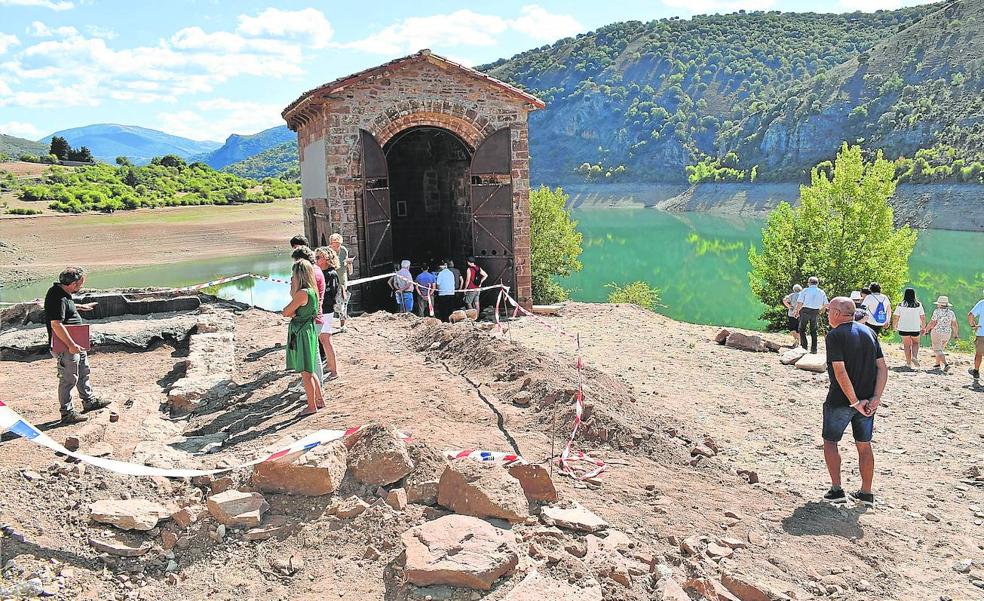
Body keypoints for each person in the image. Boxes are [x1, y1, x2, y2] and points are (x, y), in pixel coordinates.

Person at [821, 297, 887, 508]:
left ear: (838, 313)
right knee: (864, 445)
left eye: (829, 310)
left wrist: (854, 401)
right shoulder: (869, 332)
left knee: (831, 441)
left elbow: (840, 371)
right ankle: (866, 493)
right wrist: (875, 398)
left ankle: (837, 489)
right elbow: (883, 368)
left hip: (842, 400)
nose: (827, 314)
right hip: (868, 402)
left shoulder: (834, 336)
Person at [44, 267, 110, 424]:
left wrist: (80, 307)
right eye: (80, 283)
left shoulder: (63, 293)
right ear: (73, 284)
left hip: (75, 344)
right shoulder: (57, 296)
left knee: (83, 372)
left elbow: (65, 307)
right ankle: (67, 413)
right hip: (66, 346)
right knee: (68, 378)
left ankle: (89, 401)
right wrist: (71, 344)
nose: (81, 286)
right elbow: (56, 324)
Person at [282, 260, 325, 416]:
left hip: (302, 333)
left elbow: (286, 311)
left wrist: (292, 291)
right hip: (309, 329)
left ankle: (311, 406)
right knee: (311, 369)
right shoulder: (312, 291)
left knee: (306, 373)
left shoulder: (302, 293)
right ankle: (319, 399)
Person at [292, 246, 327, 375]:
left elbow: (298, 295)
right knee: (313, 354)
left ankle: (316, 389)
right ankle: (313, 386)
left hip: (311, 319)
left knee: (313, 356)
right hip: (314, 317)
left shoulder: (312, 274)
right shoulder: (316, 270)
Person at [314, 247, 340, 381]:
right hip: (322, 309)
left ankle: (334, 371)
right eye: (316, 257)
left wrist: (322, 305)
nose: (317, 259)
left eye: (319, 257)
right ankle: (330, 366)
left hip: (326, 310)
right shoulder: (321, 273)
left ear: (327, 259)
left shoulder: (331, 274)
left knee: (326, 339)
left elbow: (332, 293)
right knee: (323, 340)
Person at [893, 287, 925, 369]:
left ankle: (908, 363)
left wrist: (894, 326)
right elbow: (922, 317)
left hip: (903, 328)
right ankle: (914, 357)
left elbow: (896, 317)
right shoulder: (918, 305)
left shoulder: (900, 305)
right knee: (916, 343)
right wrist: (923, 327)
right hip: (915, 328)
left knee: (906, 346)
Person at [794, 276, 828, 354]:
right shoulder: (821, 292)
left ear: (809, 283)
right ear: (817, 283)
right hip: (815, 311)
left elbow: (800, 302)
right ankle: (814, 349)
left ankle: (804, 347)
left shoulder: (805, 290)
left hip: (805, 310)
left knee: (802, 329)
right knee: (814, 330)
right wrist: (821, 310)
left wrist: (797, 312)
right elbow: (826, 304)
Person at [925, 295, 958, 371]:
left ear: (939, 304)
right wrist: (955, 334)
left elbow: (932, 323)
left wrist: (927, 330)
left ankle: (946, 364)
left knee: (937, 350)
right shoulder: (951, 313)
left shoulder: (937, 311)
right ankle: (937, 364)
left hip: (937, 332)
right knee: (941, 349)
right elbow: (954, 324)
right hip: (947, 333)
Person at [328, 233, 352, 332]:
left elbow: (348, 269)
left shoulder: (343, 250)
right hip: (330, 279)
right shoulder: (327, 251)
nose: (336, 247)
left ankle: (343, 325)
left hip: (342, 280)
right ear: (330, 244)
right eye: (334, 245)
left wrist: (349, 264)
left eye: (338, 245)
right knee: (328, 302)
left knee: (343, 302)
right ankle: (327, 325)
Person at [969, 290, 984, 380]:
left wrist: (973, 326)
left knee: (979, 354)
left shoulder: (982, 303)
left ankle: (976, 371)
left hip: (982, 333)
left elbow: (970, 315)